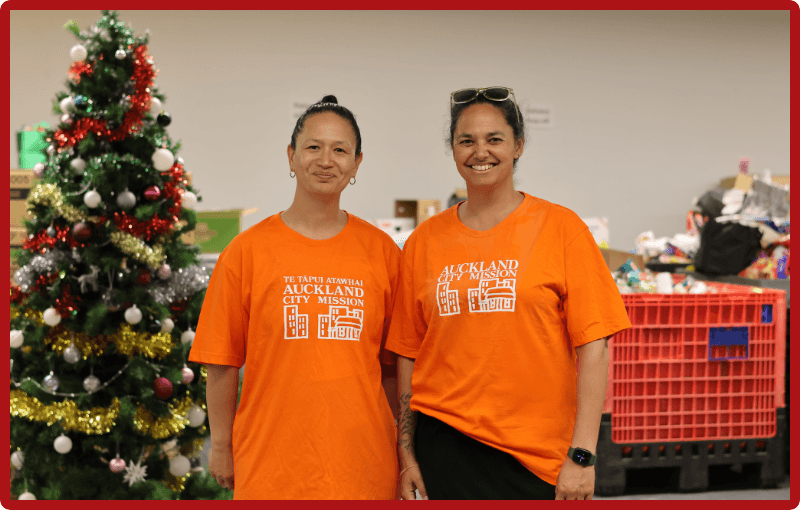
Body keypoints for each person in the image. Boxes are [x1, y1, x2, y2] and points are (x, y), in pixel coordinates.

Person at [387, 87, 632, 500]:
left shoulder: (561, 228)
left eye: (494, 139)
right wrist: (408, 455)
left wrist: (584, 455)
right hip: (444, 448)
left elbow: (594, 346)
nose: (480, 152)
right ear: (453, 149)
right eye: (466, 140)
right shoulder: (425, 241)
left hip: (537, 458)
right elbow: (408, 353)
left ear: (517, 145)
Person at [189, 95, 400, 500]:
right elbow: (221, 362)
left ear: (357, 164)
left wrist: (402, 450)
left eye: (340, 150)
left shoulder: (383, 253)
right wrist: (220, 446)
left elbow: (393, 367)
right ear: (290, 156)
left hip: (364, 467)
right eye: (313, 147)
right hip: (270, 467)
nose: (326, 160)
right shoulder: (246, 252)